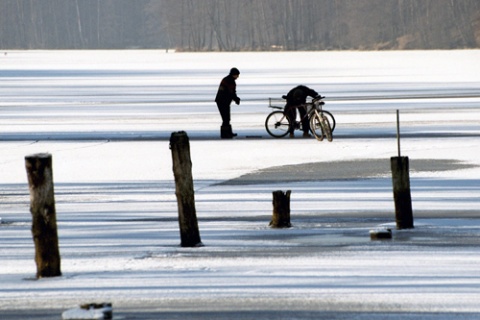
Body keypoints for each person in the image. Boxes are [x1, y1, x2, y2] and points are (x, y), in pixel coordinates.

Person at [215, 68, 241, 139]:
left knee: (227, 118)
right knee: (225, 118)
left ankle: (228, 133)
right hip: (222, 101)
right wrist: (236, 99)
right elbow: (230, 92)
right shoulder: (229, 81)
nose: (238, 77)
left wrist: (235, 98)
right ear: (234, 74)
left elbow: (232, 92)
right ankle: (225, 134)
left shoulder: (229, 80)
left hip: (224, 101)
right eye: (237, 75)